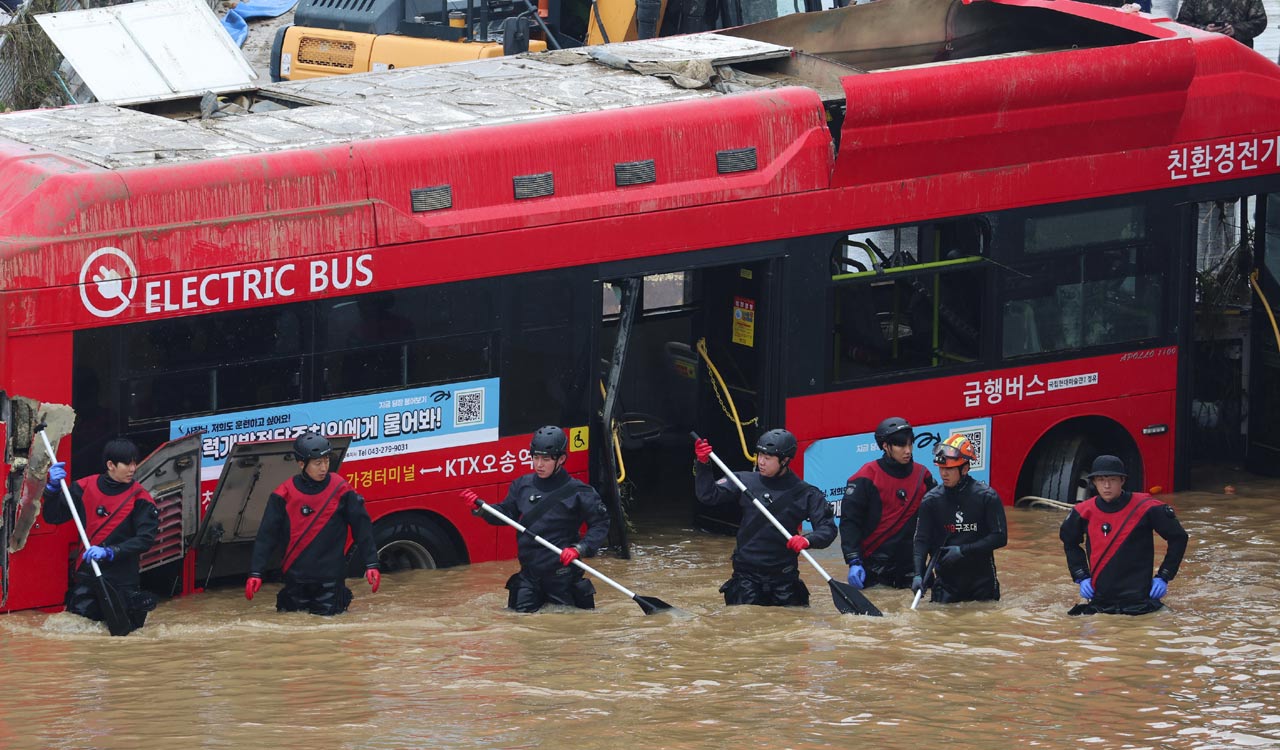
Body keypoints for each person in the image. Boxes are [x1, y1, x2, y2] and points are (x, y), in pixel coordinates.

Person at [462, 425, 609, 613]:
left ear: (561, 459)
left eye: (546, 459)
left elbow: (600, 523)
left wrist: (579, 549)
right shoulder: (522, 485)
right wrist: (482, 509)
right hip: (529, 576)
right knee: (520, 625)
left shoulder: (581, 493)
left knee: (566, 627)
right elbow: (506, 514)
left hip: (562, 576)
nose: (539, 464)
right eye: (535, 457)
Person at [694, 429, 837, 607]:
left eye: (768, 458)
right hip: (746, 577)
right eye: (760, 455)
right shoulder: (743, 481)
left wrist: (807, 541)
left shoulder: (806, 494)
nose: (761, 462)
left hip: (784, 578)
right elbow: (708, 495)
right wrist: (703, 464)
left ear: (785, 461)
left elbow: (828, 529)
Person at [245, 431, 380, 616]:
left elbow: (362, 527)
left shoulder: (341, 489)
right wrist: (256, 572)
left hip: (330, 582)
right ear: (301, 464)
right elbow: (266, 536)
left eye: (326, 461)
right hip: (295, 581)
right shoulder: (283, 494)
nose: (324, 467)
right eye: (317, 463)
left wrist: (371, 563)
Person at [42, 437, 160, 632]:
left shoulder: (141, 499)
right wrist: (52, 490)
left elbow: (145, 540)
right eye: (127, 464)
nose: (132, 469)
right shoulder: (83, 487)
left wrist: (110, 551)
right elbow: (53, 516)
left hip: (122, 581)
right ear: (110, 465)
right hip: (87, 577)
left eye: (134, 463)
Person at [1059, 455, 1189, 616]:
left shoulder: (1146, 507)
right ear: (1094, 482)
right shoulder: (1082, 512)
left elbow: (1179, 537)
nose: (1107, 486)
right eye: (1101, 480)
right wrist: (1081, 576)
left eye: (1112, 480)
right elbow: (1069, 542)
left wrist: (1164, 576)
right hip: (1100, 601)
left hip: (1141, 600)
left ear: (1122, 481)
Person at [840, 417, 936, 590]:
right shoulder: (865, 477)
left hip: (913, 567)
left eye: (910, 444)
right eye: (901, 446)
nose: (907, 451)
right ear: (885, 446)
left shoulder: (923, 476)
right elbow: (850, 522)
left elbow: (935, 521)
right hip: (875, 568)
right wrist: (853, 559)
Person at [911, 435, 1007, 603]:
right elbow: (921, 540)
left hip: (982, 586)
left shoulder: (987, 497)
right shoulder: (931, 501)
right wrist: (918, 574)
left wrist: (963, 550)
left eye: (949, 469)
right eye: (941, 468)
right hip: (946, 585)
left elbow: (1000, 537)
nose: (943, 473)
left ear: (965, 468)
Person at [1176, 0, 1267, 49]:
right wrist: (1204, 30)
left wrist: (1235, 30)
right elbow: (1182, 24)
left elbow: (1260, 21)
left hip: (1241, 53)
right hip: (1204, 52)